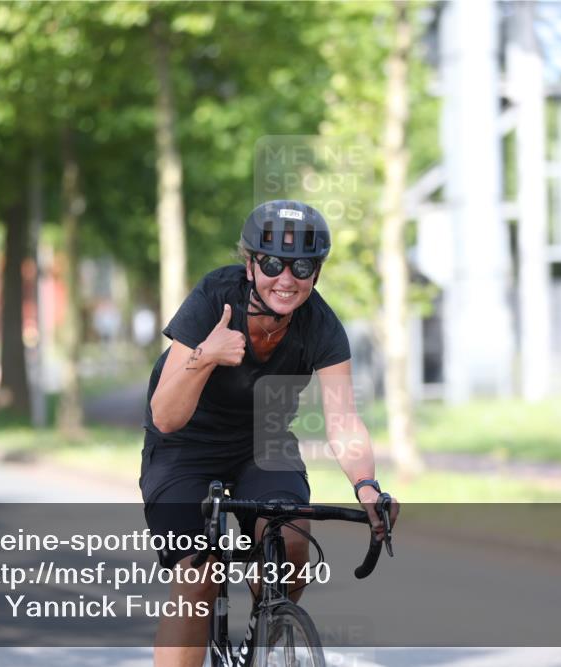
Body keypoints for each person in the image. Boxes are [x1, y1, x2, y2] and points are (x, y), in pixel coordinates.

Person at [140, 199, 399, 666]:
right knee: (201, 576)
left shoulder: (319, 324)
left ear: (316, 272)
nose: (286, 278)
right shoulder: (213, 299)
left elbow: (342, 418)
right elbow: (165, 416)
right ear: (250, 263)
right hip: (185, 448)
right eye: (273, 263)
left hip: (263, 444)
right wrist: (207, 355)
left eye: (301, 266)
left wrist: (366, 485)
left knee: (294, 540)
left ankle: (269, 627)